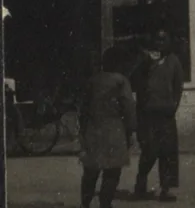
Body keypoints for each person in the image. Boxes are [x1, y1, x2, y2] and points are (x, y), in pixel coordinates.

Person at [78, 46, 137, 208]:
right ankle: (105, 203)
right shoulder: (121, 81)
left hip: (93, 128)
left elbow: (83, 109)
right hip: (114, 130)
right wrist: (131, 129)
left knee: (90, 170)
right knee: (112, 171)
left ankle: (85, 203)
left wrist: (83, 130)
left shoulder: (93, 80)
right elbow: (128, 107)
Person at [131, 31, 184, 202]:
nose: (160, 43)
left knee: (167, 152)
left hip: (166, 114)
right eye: (157, 39)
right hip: (148, 114)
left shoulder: (173, 61)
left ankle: (165, 189)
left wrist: (173, 106)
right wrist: (148, 62)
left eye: (164, 39)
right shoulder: (145, 61)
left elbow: (178, 86)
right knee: (150, 150)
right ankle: (141, 182)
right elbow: (136, 82)